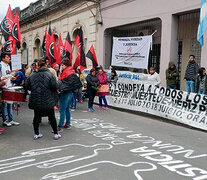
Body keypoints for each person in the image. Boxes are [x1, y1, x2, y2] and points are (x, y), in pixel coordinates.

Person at [25, 58, 61, 140]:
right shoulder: (49, 74)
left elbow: (27, 86)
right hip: (48, 99)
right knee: (51, 117)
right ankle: (56, 134)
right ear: (46, 65)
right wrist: (58, 82)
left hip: (36, 98)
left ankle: (36, 134)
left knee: (36, 116)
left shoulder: (32, 74)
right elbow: (55, 86)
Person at [58, 58, 81, 131]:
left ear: (65, 65)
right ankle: (67, 123)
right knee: (67, 108)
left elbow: (64, 83)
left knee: (62, 109)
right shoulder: (71, 71)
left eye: (62, 65)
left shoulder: (66, 72)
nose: (61, 66)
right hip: (70, 92)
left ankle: (60, 125)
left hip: (65, 92)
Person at [0, 53, 20, 127]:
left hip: (9, 86)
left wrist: (12, 78)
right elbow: (2, 77)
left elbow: (8, 76)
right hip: (3, 87)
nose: (9, 59)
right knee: (4, 105)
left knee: (10, 104)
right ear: (3, 58)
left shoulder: (8, 65)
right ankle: (5, 120)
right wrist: (2, 79)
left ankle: (11, 120)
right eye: (7, 57)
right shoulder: (0, 65)